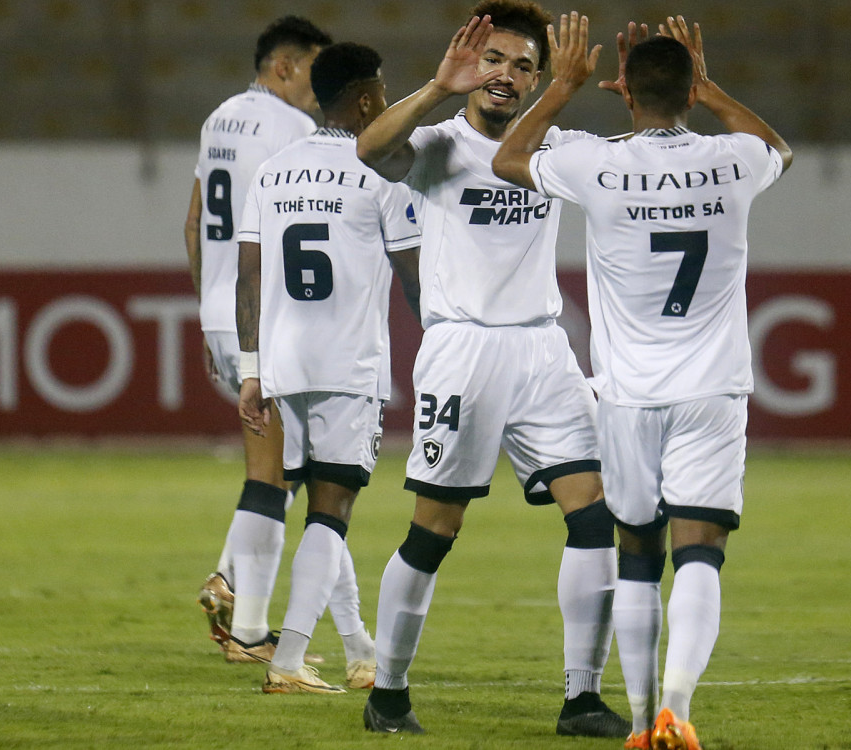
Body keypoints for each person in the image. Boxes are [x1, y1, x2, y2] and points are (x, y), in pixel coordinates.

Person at [493, 14, 792, 750]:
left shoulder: (599, 163)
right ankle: (677, 711)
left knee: (636, 555)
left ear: (625, 94)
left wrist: (560, 89)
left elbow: (508, 160)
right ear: (690, 89)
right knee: (700, 551)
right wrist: (711, 84)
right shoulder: (733, 160)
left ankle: (633, 721)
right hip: (711, 392)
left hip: (626, 396)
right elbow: (780, 147)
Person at [355, 0, 626, 737]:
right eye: (494, 59)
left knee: (595, 513)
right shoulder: (439, 144)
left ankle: (581, 696)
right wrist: (437, 87)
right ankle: (389, 690)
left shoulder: (554, 146)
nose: (505, 75)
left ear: (542, 79)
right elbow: (371, 151)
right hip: (463, 351)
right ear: (472, 64)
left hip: (542, 349)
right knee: (434, 530)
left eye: (524, 66)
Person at [235, 41, 422, 694]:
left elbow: (249, 279)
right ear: (368, 98)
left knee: (318, 498)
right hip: (348, 364)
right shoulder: (382, 172)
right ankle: (286, 661)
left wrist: (250, 368)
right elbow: (413, 274)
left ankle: (359, 650)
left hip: (284, 363)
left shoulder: (274, 170)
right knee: (332, 510)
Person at [185, 16, 332, 663]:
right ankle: (245, 626)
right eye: (312, 74)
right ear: (284, 67)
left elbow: (193, 225)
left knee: (284, 466)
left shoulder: (218, 119)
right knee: (281, 472)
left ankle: (231, 585)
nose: (318, 91)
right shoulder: (294, 131)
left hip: (220, 309)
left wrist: (204, 308)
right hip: (264, 316)